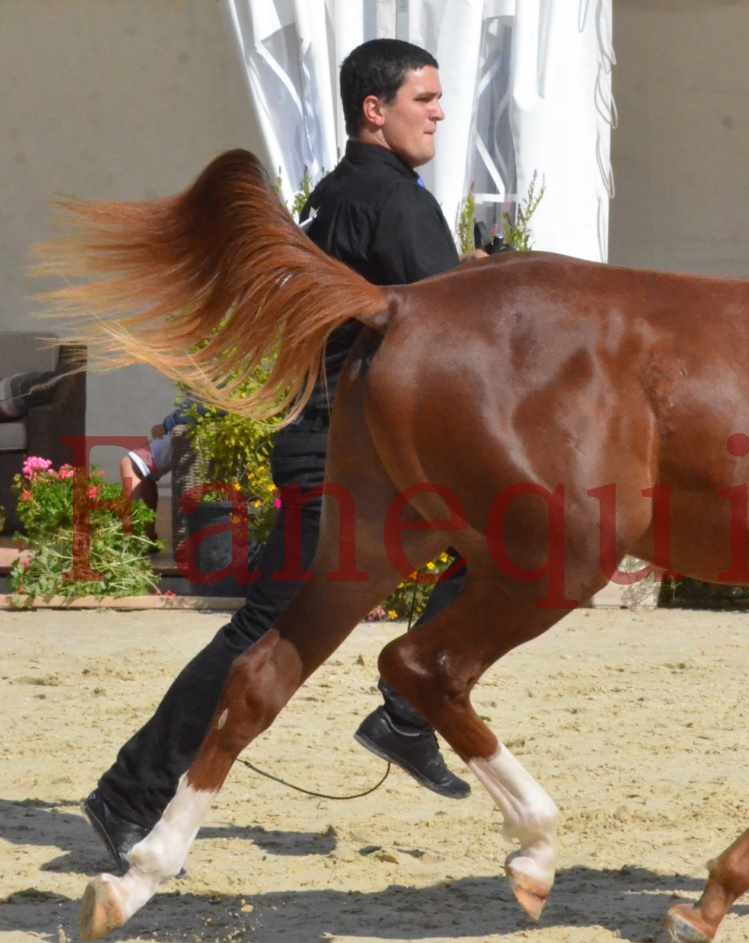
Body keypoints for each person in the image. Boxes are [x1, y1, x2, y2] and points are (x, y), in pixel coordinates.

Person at [84, 39, 480, 874]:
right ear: (375, 110)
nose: (439, 111)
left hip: (340, 447)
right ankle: (130, 793)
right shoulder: (396, 204)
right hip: (345, 455)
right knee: (266, 630)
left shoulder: (342, 194)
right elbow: (451, 335)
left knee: (502, 547)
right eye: (426, 98)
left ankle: (406, 710)